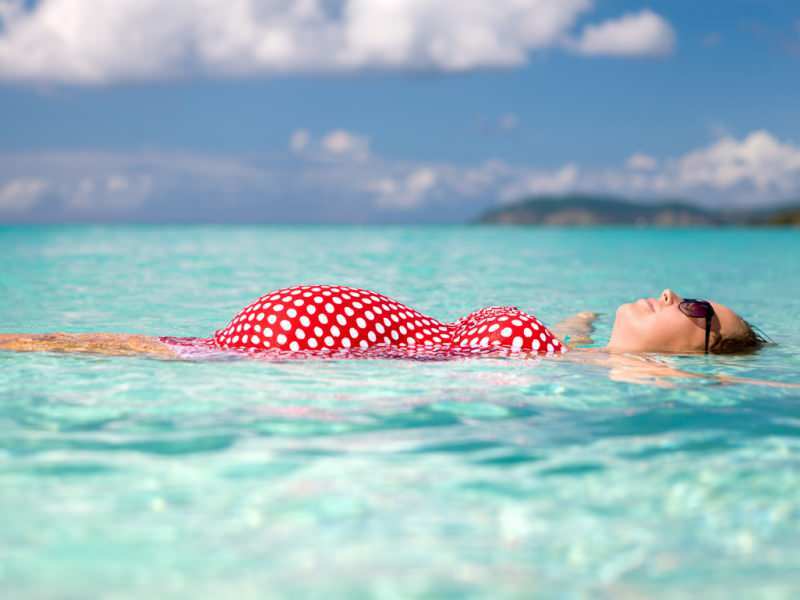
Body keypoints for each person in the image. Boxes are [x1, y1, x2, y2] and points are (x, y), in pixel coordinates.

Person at [0, 284, 789, 387]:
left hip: (299, 342)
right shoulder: (567, 347)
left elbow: (768, 395)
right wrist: (574, 322)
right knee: (132, 341)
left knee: (126, 344)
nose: (669, 295)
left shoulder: (640, 373)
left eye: (694, 309)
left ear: (699, 356)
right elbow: (552, 335)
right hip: (294, 331)